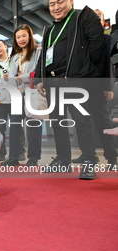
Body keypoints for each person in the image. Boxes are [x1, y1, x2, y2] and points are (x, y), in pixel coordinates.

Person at [36, 0, 106, 180]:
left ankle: (89, 161)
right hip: (52, 81)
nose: (56, 7)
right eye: (52, 4)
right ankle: (62, 160)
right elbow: (44, 54)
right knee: (58, 123)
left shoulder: (82, 16)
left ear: (71, 2)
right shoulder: (49, 30)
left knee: (81, 121)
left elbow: (97, 45)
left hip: (74, 80)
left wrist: (85, 72)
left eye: (60, 2)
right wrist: (40, 78)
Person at [71, 9, 117, 169]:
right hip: (80, 88)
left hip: (98, 88)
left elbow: (108, 64)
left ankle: (112, 157)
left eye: (98, 17)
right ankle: (87, 154)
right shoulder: (79, 42)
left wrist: (108, 86)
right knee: (82, 123)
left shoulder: (105, 39)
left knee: (103, 122)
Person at [1, 24, 42, 167]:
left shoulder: (38, 52)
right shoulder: (15, 57)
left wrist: (20, 78)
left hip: (33, 93)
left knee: (34, 126)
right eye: (18, 37)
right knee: (15, 126)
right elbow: (12, 78)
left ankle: (33, 158)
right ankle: (13, 156)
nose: (21, 39)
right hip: (18, 95)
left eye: (24, 35)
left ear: (30, 36)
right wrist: (16, 84)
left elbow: (37, 73)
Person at [0, 40, 25, 161]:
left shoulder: (15, 62)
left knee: (18, 127)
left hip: (15, 99)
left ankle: (20, 152)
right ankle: (1, 152)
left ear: (6, 47)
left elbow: (22, 78)